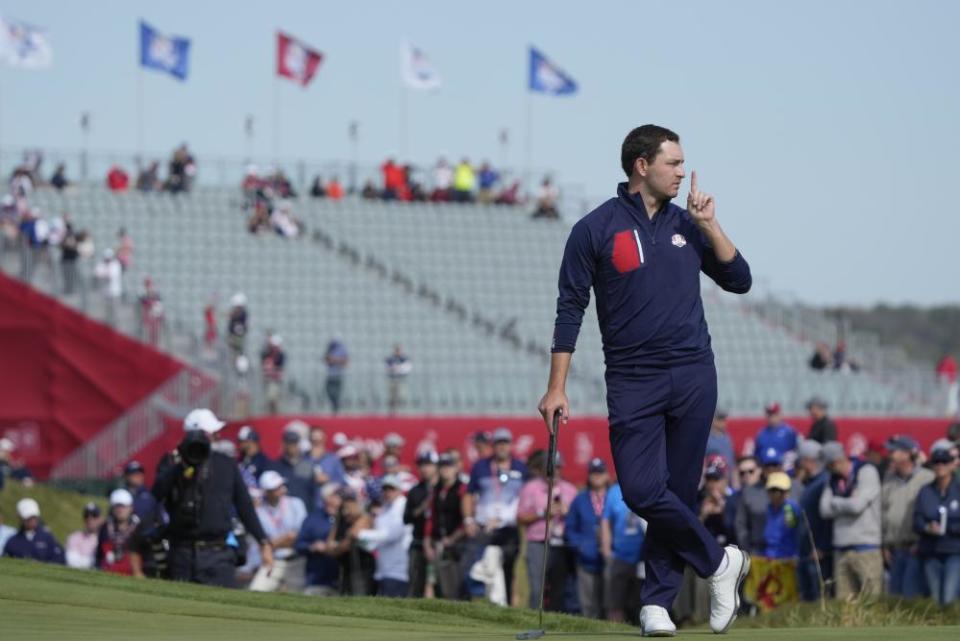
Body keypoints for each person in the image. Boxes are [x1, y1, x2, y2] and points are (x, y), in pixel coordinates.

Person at [538, 124, 752, 635]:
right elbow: (571, 308)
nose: (682, 172)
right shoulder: (594, 228)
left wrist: (713, 225)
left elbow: (740, 280)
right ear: (642, 165)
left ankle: (656, 603)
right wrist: (556, 385)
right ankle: (721, 563)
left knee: (678, 490)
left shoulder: (689, 222)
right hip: (633, 378)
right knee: (640, 489)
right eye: (673, 163)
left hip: (695, 372)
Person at [152, 408, 273, 588]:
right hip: (182, 553)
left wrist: (263, 541)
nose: (218, 438)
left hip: (217, 554)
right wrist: (179, 465)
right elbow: (156, 495)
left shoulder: (225, 464)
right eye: (213, 434)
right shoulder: (173, 462)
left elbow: (244, 505)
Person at [463, 427, 528, 606]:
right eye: (498, 443)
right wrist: (468, 520)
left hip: (509, 529)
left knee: (508, 569)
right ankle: (479, 605)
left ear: (510, 445)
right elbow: (469, 494)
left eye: (505, 443)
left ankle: (505, 608)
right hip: (485, 527)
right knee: (478, 567)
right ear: (493, 446)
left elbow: (527, 497)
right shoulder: (481, 466)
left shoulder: (521, 468)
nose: (501, 447)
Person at [819, 440, 882, 599]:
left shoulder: (866, 471)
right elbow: (824, 509)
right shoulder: (832, 480)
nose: (827, 470)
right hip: (841, 548)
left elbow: (857, 506)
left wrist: (836, 501)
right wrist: (846, 501)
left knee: (871, 600)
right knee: (844, 603)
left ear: (835, 462)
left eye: (828, 465)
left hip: (866, 547)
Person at [517, 450, 578, 612]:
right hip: (538, 542)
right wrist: (543, 513)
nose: (555, 471)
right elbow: (521, 517)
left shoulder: (570, 490)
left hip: (561, 544)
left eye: (558, 467)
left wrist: (568, 513)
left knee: (559, 588)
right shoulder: (531, 488)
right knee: (537, 587)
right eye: (551, 467)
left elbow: (579, 519)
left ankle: (554, 624)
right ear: (544, 468)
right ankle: (533, 619)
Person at [882, 435, 934, 598]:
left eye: (894, 450)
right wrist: (884, 543)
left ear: (906, 454)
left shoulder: (926, 477)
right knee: (895, 596)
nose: (890, 454)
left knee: (911, 596)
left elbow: (929, 513)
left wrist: (922, 540)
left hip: (916, 547)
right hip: (894, 549)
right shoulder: (889, 478)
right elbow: (884, 512)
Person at [914, 447, 960, 605]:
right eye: (937, 462)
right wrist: (928, 527)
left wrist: (947, 528)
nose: (940, 466)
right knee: (934, 598)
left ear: (952, 465)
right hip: (931, 551)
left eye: (944, 462)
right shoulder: (926, 491)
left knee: (949, 597)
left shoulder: (958, 490)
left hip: (954, 550)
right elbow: (917, 520)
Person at [565, 458, 609, 619]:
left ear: (606, 475)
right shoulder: (580, 499)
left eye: (600, 472)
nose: (597, 476)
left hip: (610, 559)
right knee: (588, 604)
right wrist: (580, 546)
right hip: (586, 559)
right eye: (593, 473)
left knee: (610, 603)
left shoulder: (614, 497)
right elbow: (570, 527)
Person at [250, 471, 308, 592]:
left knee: (298, 599)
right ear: (266, 492)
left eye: (280, 486)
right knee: (256, 591)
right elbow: (260, 542)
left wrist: (269, 546)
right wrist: (278, 542)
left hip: (296, 561)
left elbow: (296, 536)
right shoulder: (259, 511)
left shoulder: (296, 503)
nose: (280, 489)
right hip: (273, 561)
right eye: (275, 488)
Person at [358, 474, 412, 597]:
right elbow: (376, 543)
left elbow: (392, 534)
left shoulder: (402, 506)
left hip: (398, 570)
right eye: (385, 489)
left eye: (391, 489)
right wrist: (361, 542)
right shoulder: (386, 509)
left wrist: (362, 534)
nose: (388, 492)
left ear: (399, 490)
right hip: (382, 569)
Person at [600, 482, 646, 624]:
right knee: (616, 604)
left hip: (644, 556)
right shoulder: (614, 491)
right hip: (620, 555)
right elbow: (605, 520)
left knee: (641, 604)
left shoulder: (648, 486)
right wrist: (607, 549)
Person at [795, 441, 833, 602]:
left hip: (817, 551)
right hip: (805, 549)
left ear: (808, 461)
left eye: (801, 461)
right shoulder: (810, 483)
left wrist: (822, 546)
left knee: (819, 596)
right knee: (807, 595)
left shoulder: (823, 482)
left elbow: (827, 519)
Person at [427, 452, 467, 600]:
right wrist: (428, 541)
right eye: (442, 467)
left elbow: (467, 518)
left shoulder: (462, 489)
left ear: (456, 468)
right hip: (439, 542)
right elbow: (431, 516)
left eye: (448, 466)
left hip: (457, 543)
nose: (445, 470)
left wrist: (453, 538)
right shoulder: (436, 490)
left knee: (456, 584)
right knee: (440, 585)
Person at [296, 483, 342, 596]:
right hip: (317, 579)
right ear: (327, 498)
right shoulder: (313, 518)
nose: (339, 498)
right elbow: (299, 545)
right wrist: (313, 547)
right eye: (336, 495)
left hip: (343, 580)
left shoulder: (347, 517)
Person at [403, 450, 438, 598]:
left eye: (428, 464)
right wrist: (423, 507)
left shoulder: (444, 489)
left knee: (442, 587)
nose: (424, 468)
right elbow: (407, 518)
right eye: (421, 465)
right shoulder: (415, 491)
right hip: (418, 543)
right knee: (415, 585)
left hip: (439, 543)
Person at [330, 490, 375, 595]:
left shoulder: (364, 518)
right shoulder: (341, 521)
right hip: (345, 568)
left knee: (359, 596)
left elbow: (351, 536)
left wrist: (336, 548)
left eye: (350, 506)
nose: (347, 511)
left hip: (362, 568)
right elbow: (329, 547)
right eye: (344, 506)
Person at [96, 489, 145, 576]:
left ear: (131, 508)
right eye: (117, 506)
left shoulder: (139, 528)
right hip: (108, 572)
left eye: (123, 506)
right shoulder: (105, 528)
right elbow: (99, 555)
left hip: (133, 573)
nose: (120, 510)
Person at [2, 498, 65, 563]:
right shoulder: (12, 541)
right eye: (28, 518)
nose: (32, 521)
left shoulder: (48, 538)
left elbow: (60, 559)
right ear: (20, 518)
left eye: (34, 517)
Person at [272, 429, 318, 509]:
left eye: (294, 443)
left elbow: (313, 492)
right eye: (289, 443)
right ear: (284, 444)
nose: (292, 446)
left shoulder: (306, 465)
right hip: (282, 511)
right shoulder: (276, 466)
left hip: (304, 510)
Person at [755, 403, 799, 469]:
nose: (771, 417)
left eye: (774, 414)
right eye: (769, 414)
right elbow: (757, 452)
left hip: (783, 468)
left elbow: (796, 450)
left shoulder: (789, 431)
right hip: (765, 468)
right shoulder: (761, 433)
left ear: (780, 415)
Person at [308, 426, 346, 497]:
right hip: (308, 502)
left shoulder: (333, 459)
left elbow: (342, 482)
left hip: (328, 504)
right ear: (309, 440)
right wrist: (312, 478)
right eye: (314, 440)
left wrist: (329, 479)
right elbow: (298, 480)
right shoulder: (304, 459)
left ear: (324, 439)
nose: (316, 442)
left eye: (319, 439)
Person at [65, 502, 103, 569]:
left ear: (100, 519)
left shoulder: (105, 539)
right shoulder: (74, 537)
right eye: (86, 516)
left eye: (94, 515)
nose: (90, 519)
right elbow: (71, 561)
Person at [705, 409, 737, 487]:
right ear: (713, 420)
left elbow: (732, 463)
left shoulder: (727, 437)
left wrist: (736, 483)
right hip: (714, 479)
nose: (723, 422)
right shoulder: (707, 438)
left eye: (724, 419)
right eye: (720, 419)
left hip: (728, 480)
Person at [260, 333, 286, 415]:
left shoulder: (281, 356)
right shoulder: (266, 354)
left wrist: (272, 370)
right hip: (267, 379)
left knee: (273, 397)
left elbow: (279, 369)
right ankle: (270, 413)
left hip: (275, 380)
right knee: (269, 398)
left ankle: (274, 413)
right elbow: (264, 364)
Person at [324, 337, 349, 414]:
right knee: (329, 391)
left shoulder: (342, 350)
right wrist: (335, 360)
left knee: (336, 393)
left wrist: (334, 360)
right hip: (330, 375)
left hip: (338, 375)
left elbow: (345, 362)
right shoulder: (329, 349)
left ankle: (336, 409)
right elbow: (327, 360)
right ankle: (334, 407)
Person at [385, 344, 413, 414]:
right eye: (396, 350)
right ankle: (393, 411)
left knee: (401, 395)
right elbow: (388, 368)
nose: (397, 352)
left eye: (398, 350)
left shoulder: (404, 359)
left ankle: (401, 411)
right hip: (392, 379)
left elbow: (407, 369)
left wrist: (397, 368)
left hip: (401, 380)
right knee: (392, 396)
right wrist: (398, 368)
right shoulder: (390, 359)